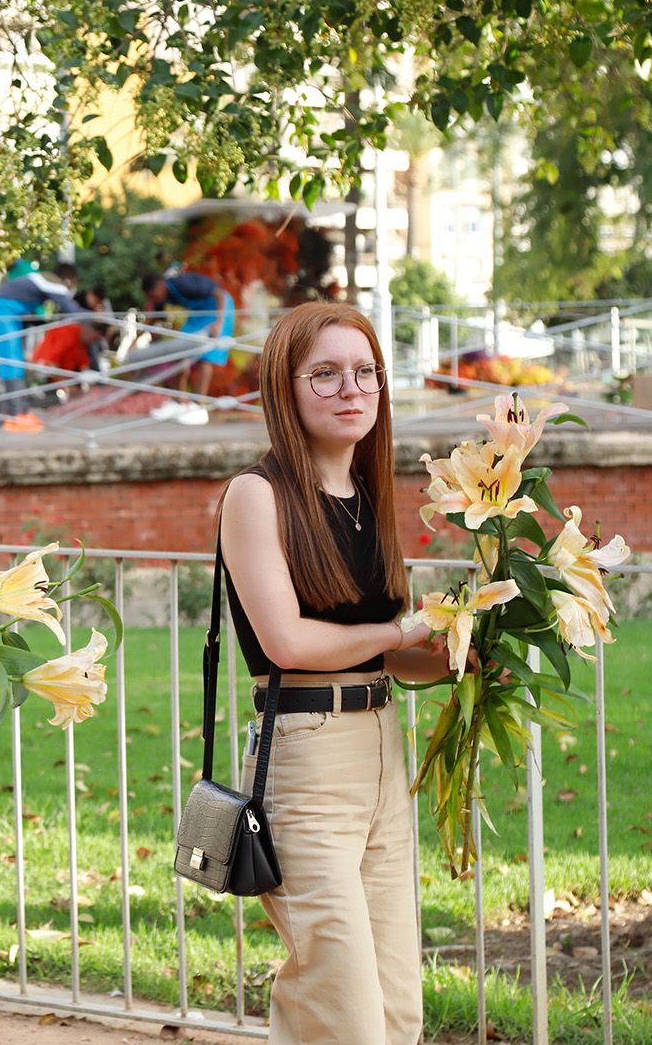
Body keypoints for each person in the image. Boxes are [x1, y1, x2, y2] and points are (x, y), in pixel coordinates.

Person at [218, 302, 449, 1044]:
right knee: (341, 1010)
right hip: (306, 754)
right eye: (326, 373)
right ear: (285, 389)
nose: (351, 388)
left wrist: (455, 654)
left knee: (395, 1010)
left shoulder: (372, 497)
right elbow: (286, 640)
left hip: (382, 748)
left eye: (365, 372)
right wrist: (399, 631)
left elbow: (391, 654)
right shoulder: (258, 495)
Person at [0, 261, 87, 430]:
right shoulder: (53, 283)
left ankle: (21, 412)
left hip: (9, 314)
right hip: (2, 311)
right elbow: (72, 309)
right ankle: (15, 417)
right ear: (69, 279)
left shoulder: (43, 279)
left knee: (17, 362)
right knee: (11, 362)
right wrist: (101, 316)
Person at [141, 269, 236, 403]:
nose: (153, 299)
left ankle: (197, 404)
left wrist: (218, 323)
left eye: (153, 296)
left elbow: (219, 294)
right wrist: (137, 341)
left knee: (206, 357)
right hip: (197, 315)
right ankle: (178, 401)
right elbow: (153, 320)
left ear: (160, 285)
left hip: (219, 308)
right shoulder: (163, 296)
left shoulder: (183, 283)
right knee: (180, 351)